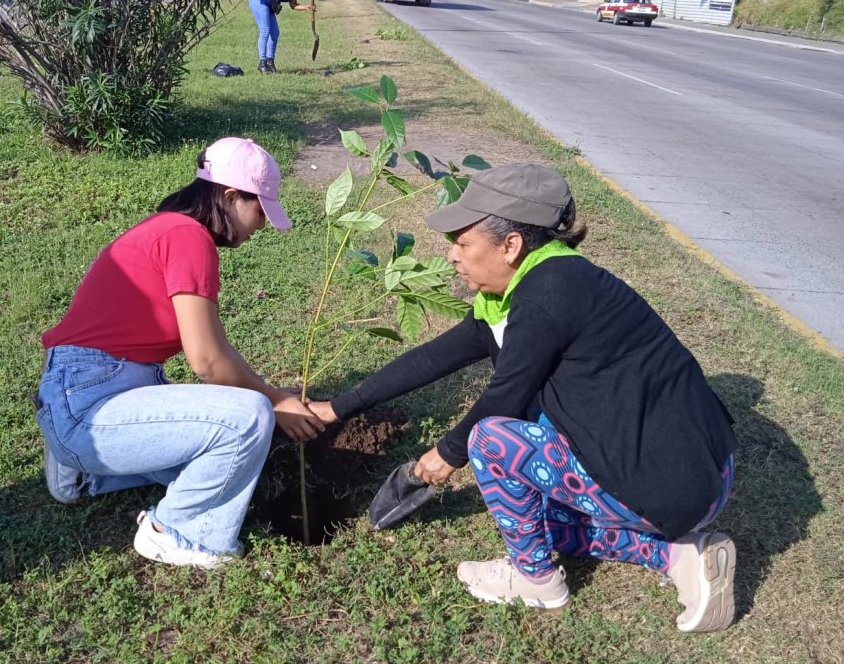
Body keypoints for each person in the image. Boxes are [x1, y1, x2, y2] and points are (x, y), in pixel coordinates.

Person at [309, 164, 738, 632]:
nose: (452, 256)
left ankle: (536, 580)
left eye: (463, 243)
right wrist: (337, 408)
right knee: (536, 517)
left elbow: (503, 401)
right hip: (700, 475)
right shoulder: (551, 279)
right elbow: (435, 357)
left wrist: (440, 458)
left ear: (510, 245)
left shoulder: (542, 298)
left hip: (662, 484)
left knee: (490, 440)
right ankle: (678, 555)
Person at [37, 138, 327, 569]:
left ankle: (82, 473)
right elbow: (207, 360)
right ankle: (177, 533)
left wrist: (272, 393)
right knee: (247, 420)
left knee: (225, 465)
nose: (263, 224)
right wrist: (275, 400)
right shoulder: (188, 238)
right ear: (230, 197)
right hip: (90, 402)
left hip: (83, 391)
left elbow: (216, 349)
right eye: (260, 209)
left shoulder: (170, 229)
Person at [248, 0, 318, 74]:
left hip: (269, 5)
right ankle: (262, 63)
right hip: (259, 0)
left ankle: (270, 62)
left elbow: (293, 5)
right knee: (265, 31)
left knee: (275, 33)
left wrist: (307, 7)